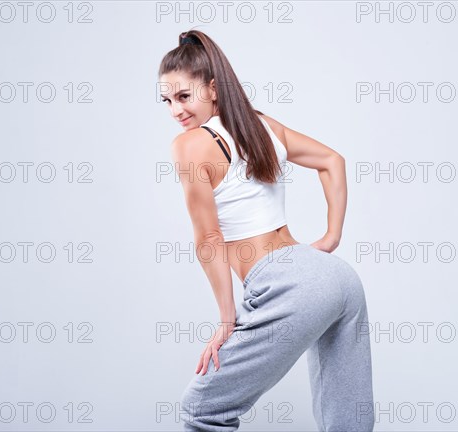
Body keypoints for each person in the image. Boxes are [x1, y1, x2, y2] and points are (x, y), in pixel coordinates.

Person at [158, 29, 375, 432]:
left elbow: (209, 240)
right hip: (338, 279)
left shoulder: (189, 146)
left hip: (287, 284)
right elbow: (333, 160)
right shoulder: (262, 126)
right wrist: (330, 238)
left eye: (184, 97)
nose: (175, 111)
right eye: (167, 100)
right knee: (349, 423)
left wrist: (227, 320)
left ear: (212, 88)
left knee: (201, 410)